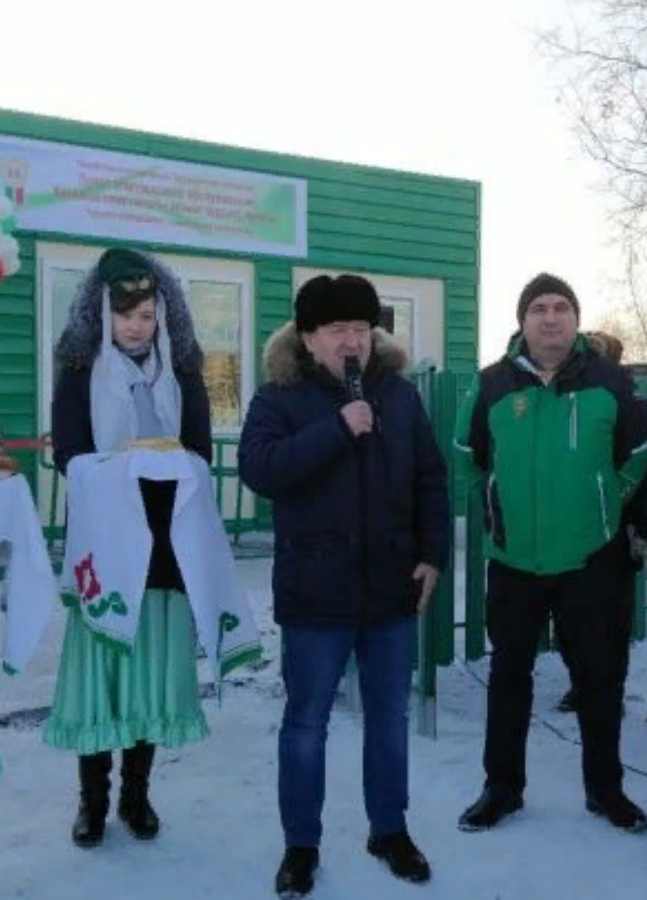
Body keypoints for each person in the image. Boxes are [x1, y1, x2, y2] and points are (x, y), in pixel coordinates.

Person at [239, 274, 451, 898]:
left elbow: (431, 480)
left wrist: (433, 555)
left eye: (361, 329)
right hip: (315, 593)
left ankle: (389, 829)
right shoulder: (279, 397)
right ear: (307, 338)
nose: (353, 341)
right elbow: (262, 470)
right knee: (306, 724)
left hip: (391, 589)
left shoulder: (400, 396)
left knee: (388, 717)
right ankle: (300, 844)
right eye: (338, 331)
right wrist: (337, 427)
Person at [454, 273, 647, 835]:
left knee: (599, 677)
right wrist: (496, 507)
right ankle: (501, 788)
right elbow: (465, 453)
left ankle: (606, 789)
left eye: (561, 307)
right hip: (515, 560)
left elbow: (638, 451)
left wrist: (606, 504)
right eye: (538, 308)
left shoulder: (610, 381)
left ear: (575, 318)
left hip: (592, 560)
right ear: (522, 321)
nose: (550, 318)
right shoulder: (492, 383)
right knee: (509, 675)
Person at [44, 248, 216, 848]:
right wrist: (126, 466)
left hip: (165, 546)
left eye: (146, 315)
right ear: (102, 314)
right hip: (106, 544)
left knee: (148, 676)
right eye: (125, 315)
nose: (136, 326)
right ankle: (91, 802)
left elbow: (201, 451)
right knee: (103, 677)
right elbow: (67, 452)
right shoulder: (77, 369)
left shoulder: (183, 372)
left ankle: (136, 796)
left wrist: (169, 464)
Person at [553, 331, 647, 719]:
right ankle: (580, 682)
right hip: (567, 529)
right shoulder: (564, 403)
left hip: (616, 528)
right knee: (566, 620)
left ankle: (604, 688)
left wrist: (640, 526)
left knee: (609, 621)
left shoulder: (635, 406)